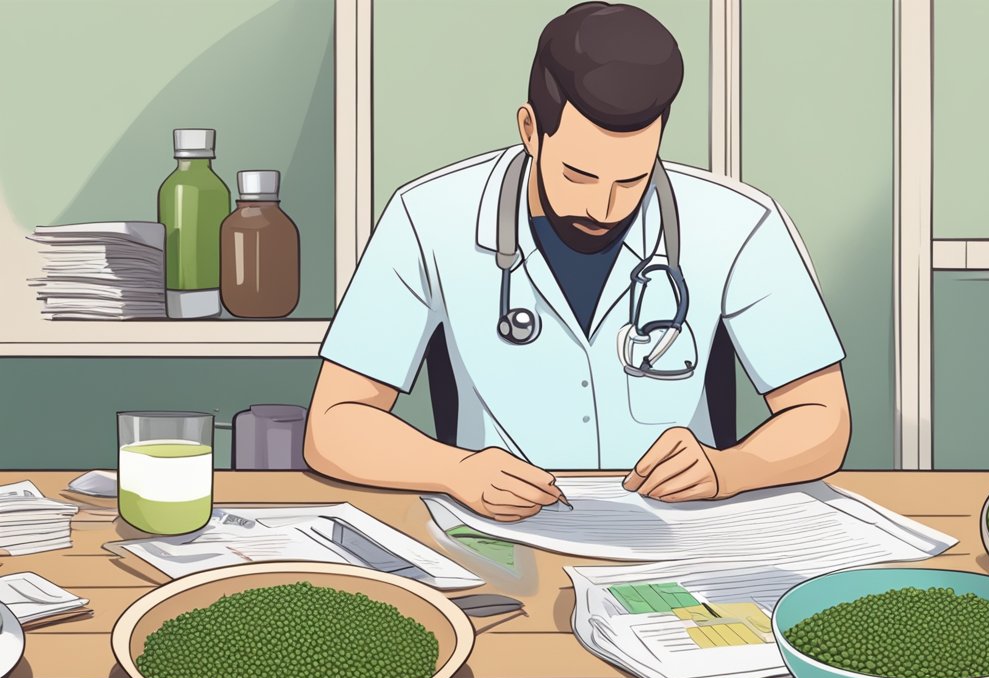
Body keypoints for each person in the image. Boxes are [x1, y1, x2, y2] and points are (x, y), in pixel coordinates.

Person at [305, 2, 850, 522]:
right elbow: (333, 424)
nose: (603, 207)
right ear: (529, 131)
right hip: (499, 539)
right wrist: (455, 470)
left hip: (681, 542)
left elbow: (823, 418)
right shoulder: (427, 219)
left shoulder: (738, 225)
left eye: (632, 179)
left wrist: (729, 469)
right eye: (578, 175)